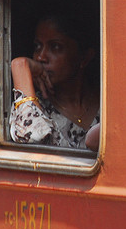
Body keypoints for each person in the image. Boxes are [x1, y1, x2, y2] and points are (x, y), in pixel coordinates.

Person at [9, 13, 100, 150]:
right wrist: (20, 65)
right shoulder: (33, 104)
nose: (41, 57)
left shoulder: (108, 103)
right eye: (37, 47)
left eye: (56, 47)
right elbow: (32, 137)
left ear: (84, 58)